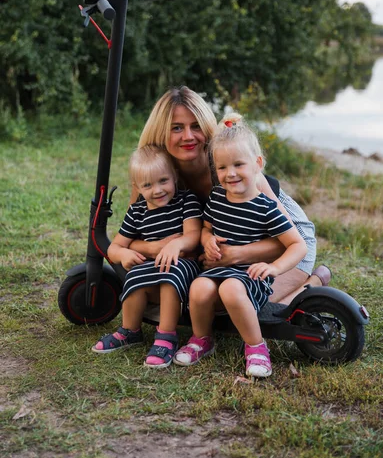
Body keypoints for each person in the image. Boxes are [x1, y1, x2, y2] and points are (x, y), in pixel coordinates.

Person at [128, 86, 330, 306]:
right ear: (161, 132)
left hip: (287, 238)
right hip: (229, 245)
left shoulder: (229, 167)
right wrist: (154, 248)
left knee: (245, 305)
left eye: (196, 126)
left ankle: (313, 284)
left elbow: (288, 243)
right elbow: (134, 234)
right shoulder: (156, 173)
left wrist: (234, 255)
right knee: (200, 300)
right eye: (176, 128)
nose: (188, 136)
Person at [173, 113, 308, 377]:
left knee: (232, 290)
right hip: (217, 269)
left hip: (250, 274)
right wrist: (207, 240)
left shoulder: (266, 207)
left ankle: (256, 347)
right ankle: (202, 339)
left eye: (238, 165)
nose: (230, 174)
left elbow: (296, 245)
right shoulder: (217, 197)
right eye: (222, 168)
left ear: (257, 164)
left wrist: (275, 269)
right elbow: (207, 227)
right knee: (199, 287)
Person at [92, 145, 202, 368]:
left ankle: (166, 336)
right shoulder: (138, 211)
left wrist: (177, 245)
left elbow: (194, 235)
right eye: (148, 185)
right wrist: (123, 253)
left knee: (169, 275)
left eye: (163, 180)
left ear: (175, 177)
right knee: (135, 277)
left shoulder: (186, 200)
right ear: (137, 187)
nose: (158, 190)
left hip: (184, 264)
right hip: (152, 266)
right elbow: (114, 247)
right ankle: (130, 330)